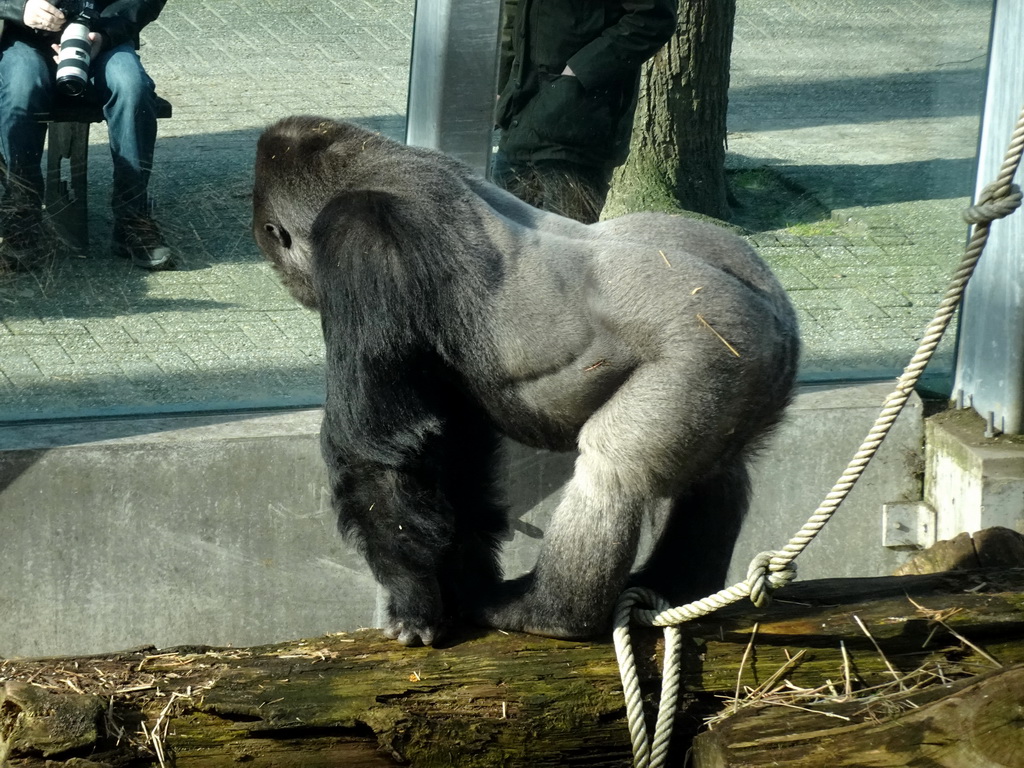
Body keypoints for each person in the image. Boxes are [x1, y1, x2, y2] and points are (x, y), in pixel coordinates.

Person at [0, 0, 171, 270]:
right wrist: (18, 8)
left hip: (102, 34)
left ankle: (132, 220)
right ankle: (22, 219)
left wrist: (106, 33)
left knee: (131, 89)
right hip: (26, 37)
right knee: (21, 90)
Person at [493, 0, 676, 224]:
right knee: (505, 246)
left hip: (577, 127)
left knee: (568, 251)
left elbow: (653, 18)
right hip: (519, 114)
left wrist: (579, 72)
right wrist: (502, 82)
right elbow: (513, 10)